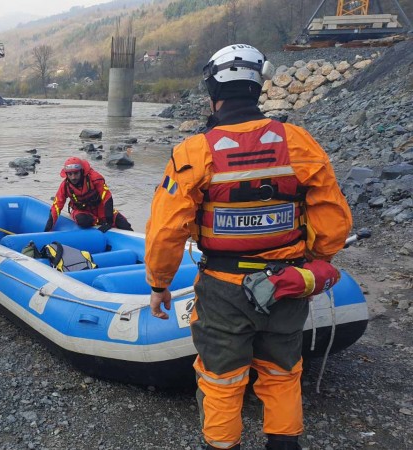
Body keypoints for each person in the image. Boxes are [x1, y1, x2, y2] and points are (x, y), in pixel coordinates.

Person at [144, 44, 352, 450]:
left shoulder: (194, 152)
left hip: (224, 287)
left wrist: (159, 285)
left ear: (212, 91)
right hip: (289, 280)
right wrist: (316, 263)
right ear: (258, 89)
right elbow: (332, 219)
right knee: (282, 373)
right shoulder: (299, 143)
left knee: (221, 379)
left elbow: (166, 231)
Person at [44, 157, 132, 232]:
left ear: (82, 171)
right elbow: (56, 206)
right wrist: (48, 229)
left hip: (100, 209)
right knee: (83, 221)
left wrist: (109, 222)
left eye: (76, 173)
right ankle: (98, 222)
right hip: (81, 211)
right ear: (66, 174)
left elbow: (107, 197)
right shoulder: (65, 186)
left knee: (125, 225)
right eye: (70, 174)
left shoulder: (95, 178)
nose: (73, 177)